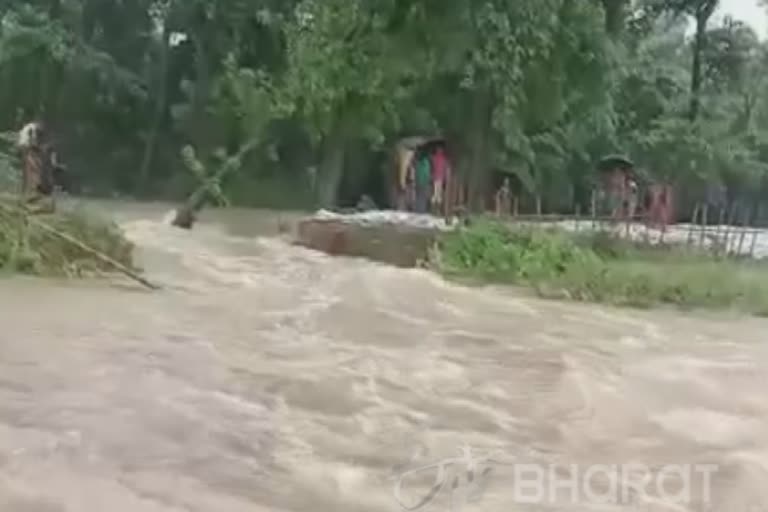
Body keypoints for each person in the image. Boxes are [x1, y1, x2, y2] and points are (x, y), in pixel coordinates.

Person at [430, 146, 447, 210]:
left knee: (435, 192)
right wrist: (445, 177)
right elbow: (445, 168)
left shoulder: (434, 158)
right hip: (441, 177)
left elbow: (432, 162)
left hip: (435, 177)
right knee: (439, 192)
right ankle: (438, 208)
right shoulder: (444, 159)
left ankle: (433, 207)